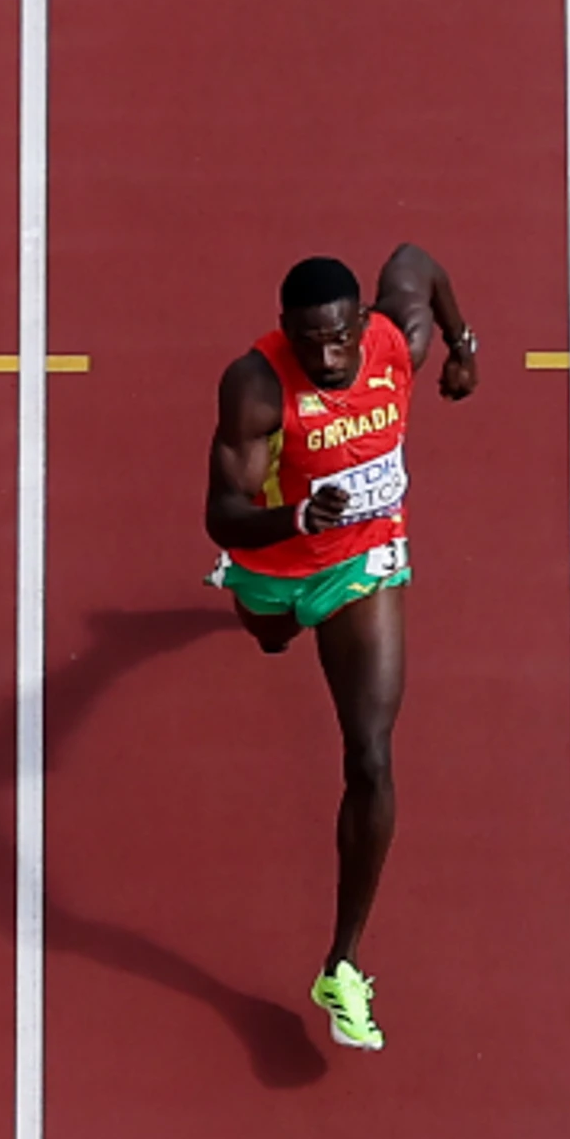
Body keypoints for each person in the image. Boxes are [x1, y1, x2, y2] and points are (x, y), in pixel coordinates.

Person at [203, 246, 480, 1052]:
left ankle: (343, 963)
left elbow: (420, 261)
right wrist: (292, 520)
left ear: (362, 322)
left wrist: (464, 348)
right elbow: (221, 513)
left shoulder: (395, 343)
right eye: (307, 340)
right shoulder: (255, 383)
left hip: (364, 562)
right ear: (284, 330)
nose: (326, 357)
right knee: (269, 637)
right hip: (276, 563)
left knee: (370, 755)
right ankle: (276, 625)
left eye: (339, 339)